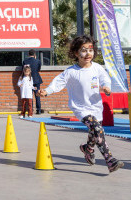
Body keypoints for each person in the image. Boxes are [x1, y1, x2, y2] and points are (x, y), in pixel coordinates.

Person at [39, 35, 125, 173]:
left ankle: (88, 149)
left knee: (94, 132)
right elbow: (57, 83)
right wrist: (47, 91)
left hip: (96, 107)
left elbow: (105, 79)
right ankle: (110, 160)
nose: (87, 54)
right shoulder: (71, 72)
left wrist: (106, 87)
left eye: (90, 50)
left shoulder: (97, 68)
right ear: (76, 53)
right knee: (97, 129)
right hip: (80, 108)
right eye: (83, 50)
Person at [22, 49, 44, 114]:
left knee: (29, 96)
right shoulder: (38, 61)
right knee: (37, 95)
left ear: (28, 54)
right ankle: (38, 110)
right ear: (35, 55)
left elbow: (23, 70)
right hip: (36, 80)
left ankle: (30, 110)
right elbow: (38, 69)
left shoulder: (25, 61)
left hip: (29, 81)